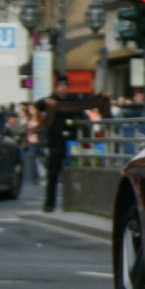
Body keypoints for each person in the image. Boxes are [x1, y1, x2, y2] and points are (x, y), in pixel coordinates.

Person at [38, 76, 110, 212]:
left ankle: (72, 204)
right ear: (56, 87)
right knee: (52, 174)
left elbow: (88, 102)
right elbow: (38, 105)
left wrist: (101, 96)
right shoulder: (51, 100)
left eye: (65, 85)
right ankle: (49, 204)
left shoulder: (74, 101)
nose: (63, 88)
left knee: (74, 174)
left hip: (73, 141)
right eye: (60, 85)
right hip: (56, 142)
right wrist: (47, 103)